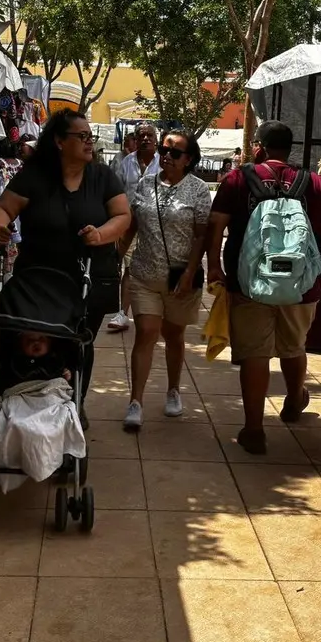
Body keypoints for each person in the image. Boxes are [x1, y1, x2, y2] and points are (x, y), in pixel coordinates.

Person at [206, 120, 321, 455]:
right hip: (302, 284)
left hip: (248, 282)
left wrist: (214, 266)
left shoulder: (238, 179)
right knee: (295, 345)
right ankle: (294, 402)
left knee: (256, 353)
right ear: (289, 148)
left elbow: (215, 226)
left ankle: (254, 430)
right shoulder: (313, 183)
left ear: (259, 146)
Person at [0, 110, 131, 421]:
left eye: (89, 136)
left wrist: (100, 235)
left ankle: (73, 403)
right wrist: (0, 226)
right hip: (37, 280)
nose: (88, 142)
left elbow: (123, 216)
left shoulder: (102, 176)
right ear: (58, 141)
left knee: (79, 341)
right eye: (81, 136)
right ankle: (25, 398)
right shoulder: (35, 175)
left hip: (87, 278)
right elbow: (4, 207)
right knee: (32, 338)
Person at [119, 129, 212, 431]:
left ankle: (173, 389)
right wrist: (117, 255)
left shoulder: (198, 190)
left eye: (174, 153)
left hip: (180, 278)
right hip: (144, 272)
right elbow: (132, 224)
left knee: (173, 335)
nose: (166, 156)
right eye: (164, 150)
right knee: (145, 331)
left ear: (189, 160)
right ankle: (136, 401)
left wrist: (190, 271)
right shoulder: (146, 184)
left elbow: (202, 235)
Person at [106, 122, 159, 332]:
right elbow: (115, 192)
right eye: (141, 135)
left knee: (153, 268)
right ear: (135, 140)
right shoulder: (126, 162)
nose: (145, 139)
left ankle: (153, 311)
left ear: (156, 139)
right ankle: (122, 314)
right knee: (128, 267)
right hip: (128, 224)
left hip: (155, 225)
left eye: (149, 135)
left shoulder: (163, 163)